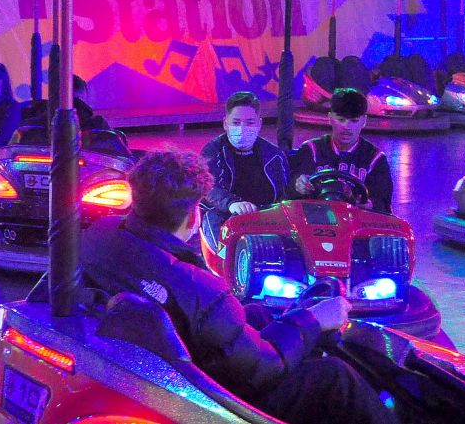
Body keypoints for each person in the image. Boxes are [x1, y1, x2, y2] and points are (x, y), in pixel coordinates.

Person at [80, 151, 396, 424]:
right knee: (335, 376)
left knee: (256, 313)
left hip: (166, 367)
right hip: (218, 401)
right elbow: (262, 368)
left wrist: (291, 318)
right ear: (194, 217)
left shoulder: (102, 235)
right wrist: (314, 319)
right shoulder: (201, 288)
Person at [291, 88, 394, 213]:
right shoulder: (311, 150)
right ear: (330, 118)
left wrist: (368, 204)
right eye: (341, 119)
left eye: (354, 121)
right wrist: (299, 185)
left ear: (364, 121)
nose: (347, 126)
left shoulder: (375, 159)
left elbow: (383, 203)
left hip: (357, 222)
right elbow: (291, 191)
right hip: (317, 218)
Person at [200, 91, 288, 221]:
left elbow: (284, 193)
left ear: (259, 124)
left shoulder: (274, 155)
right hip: (225, 214)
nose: (242, 128)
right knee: (212, 218)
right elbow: (209, 188)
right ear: (225, 124)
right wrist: (232, 204)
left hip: (265, 215)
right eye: (236, 123)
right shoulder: (212, 152)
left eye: (250, 123)